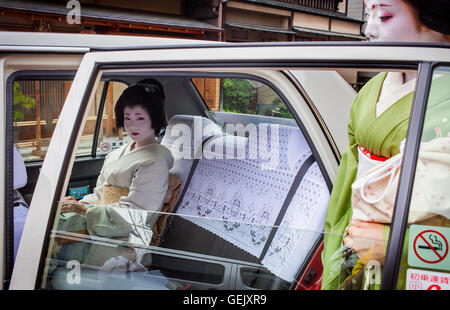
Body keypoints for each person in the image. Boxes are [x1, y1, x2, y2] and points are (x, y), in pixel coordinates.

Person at [321, 0, 450, 290]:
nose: (369, 29)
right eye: (368, 14)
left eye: (385, 14)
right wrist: (338, 243)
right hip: (358, 253)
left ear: (432, 16)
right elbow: (345, 191)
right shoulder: (369, 93)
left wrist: (395, 245)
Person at [62, 81, 174, 221]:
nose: (132, 125)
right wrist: (79, 203)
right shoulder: (115, 154)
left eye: (140, 118)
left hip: (124, 234)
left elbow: (136, 214)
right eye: (127, 118)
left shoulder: (156, 161)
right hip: (102, 221)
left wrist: (83, 210)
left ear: (154, 118)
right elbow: (99, 195)